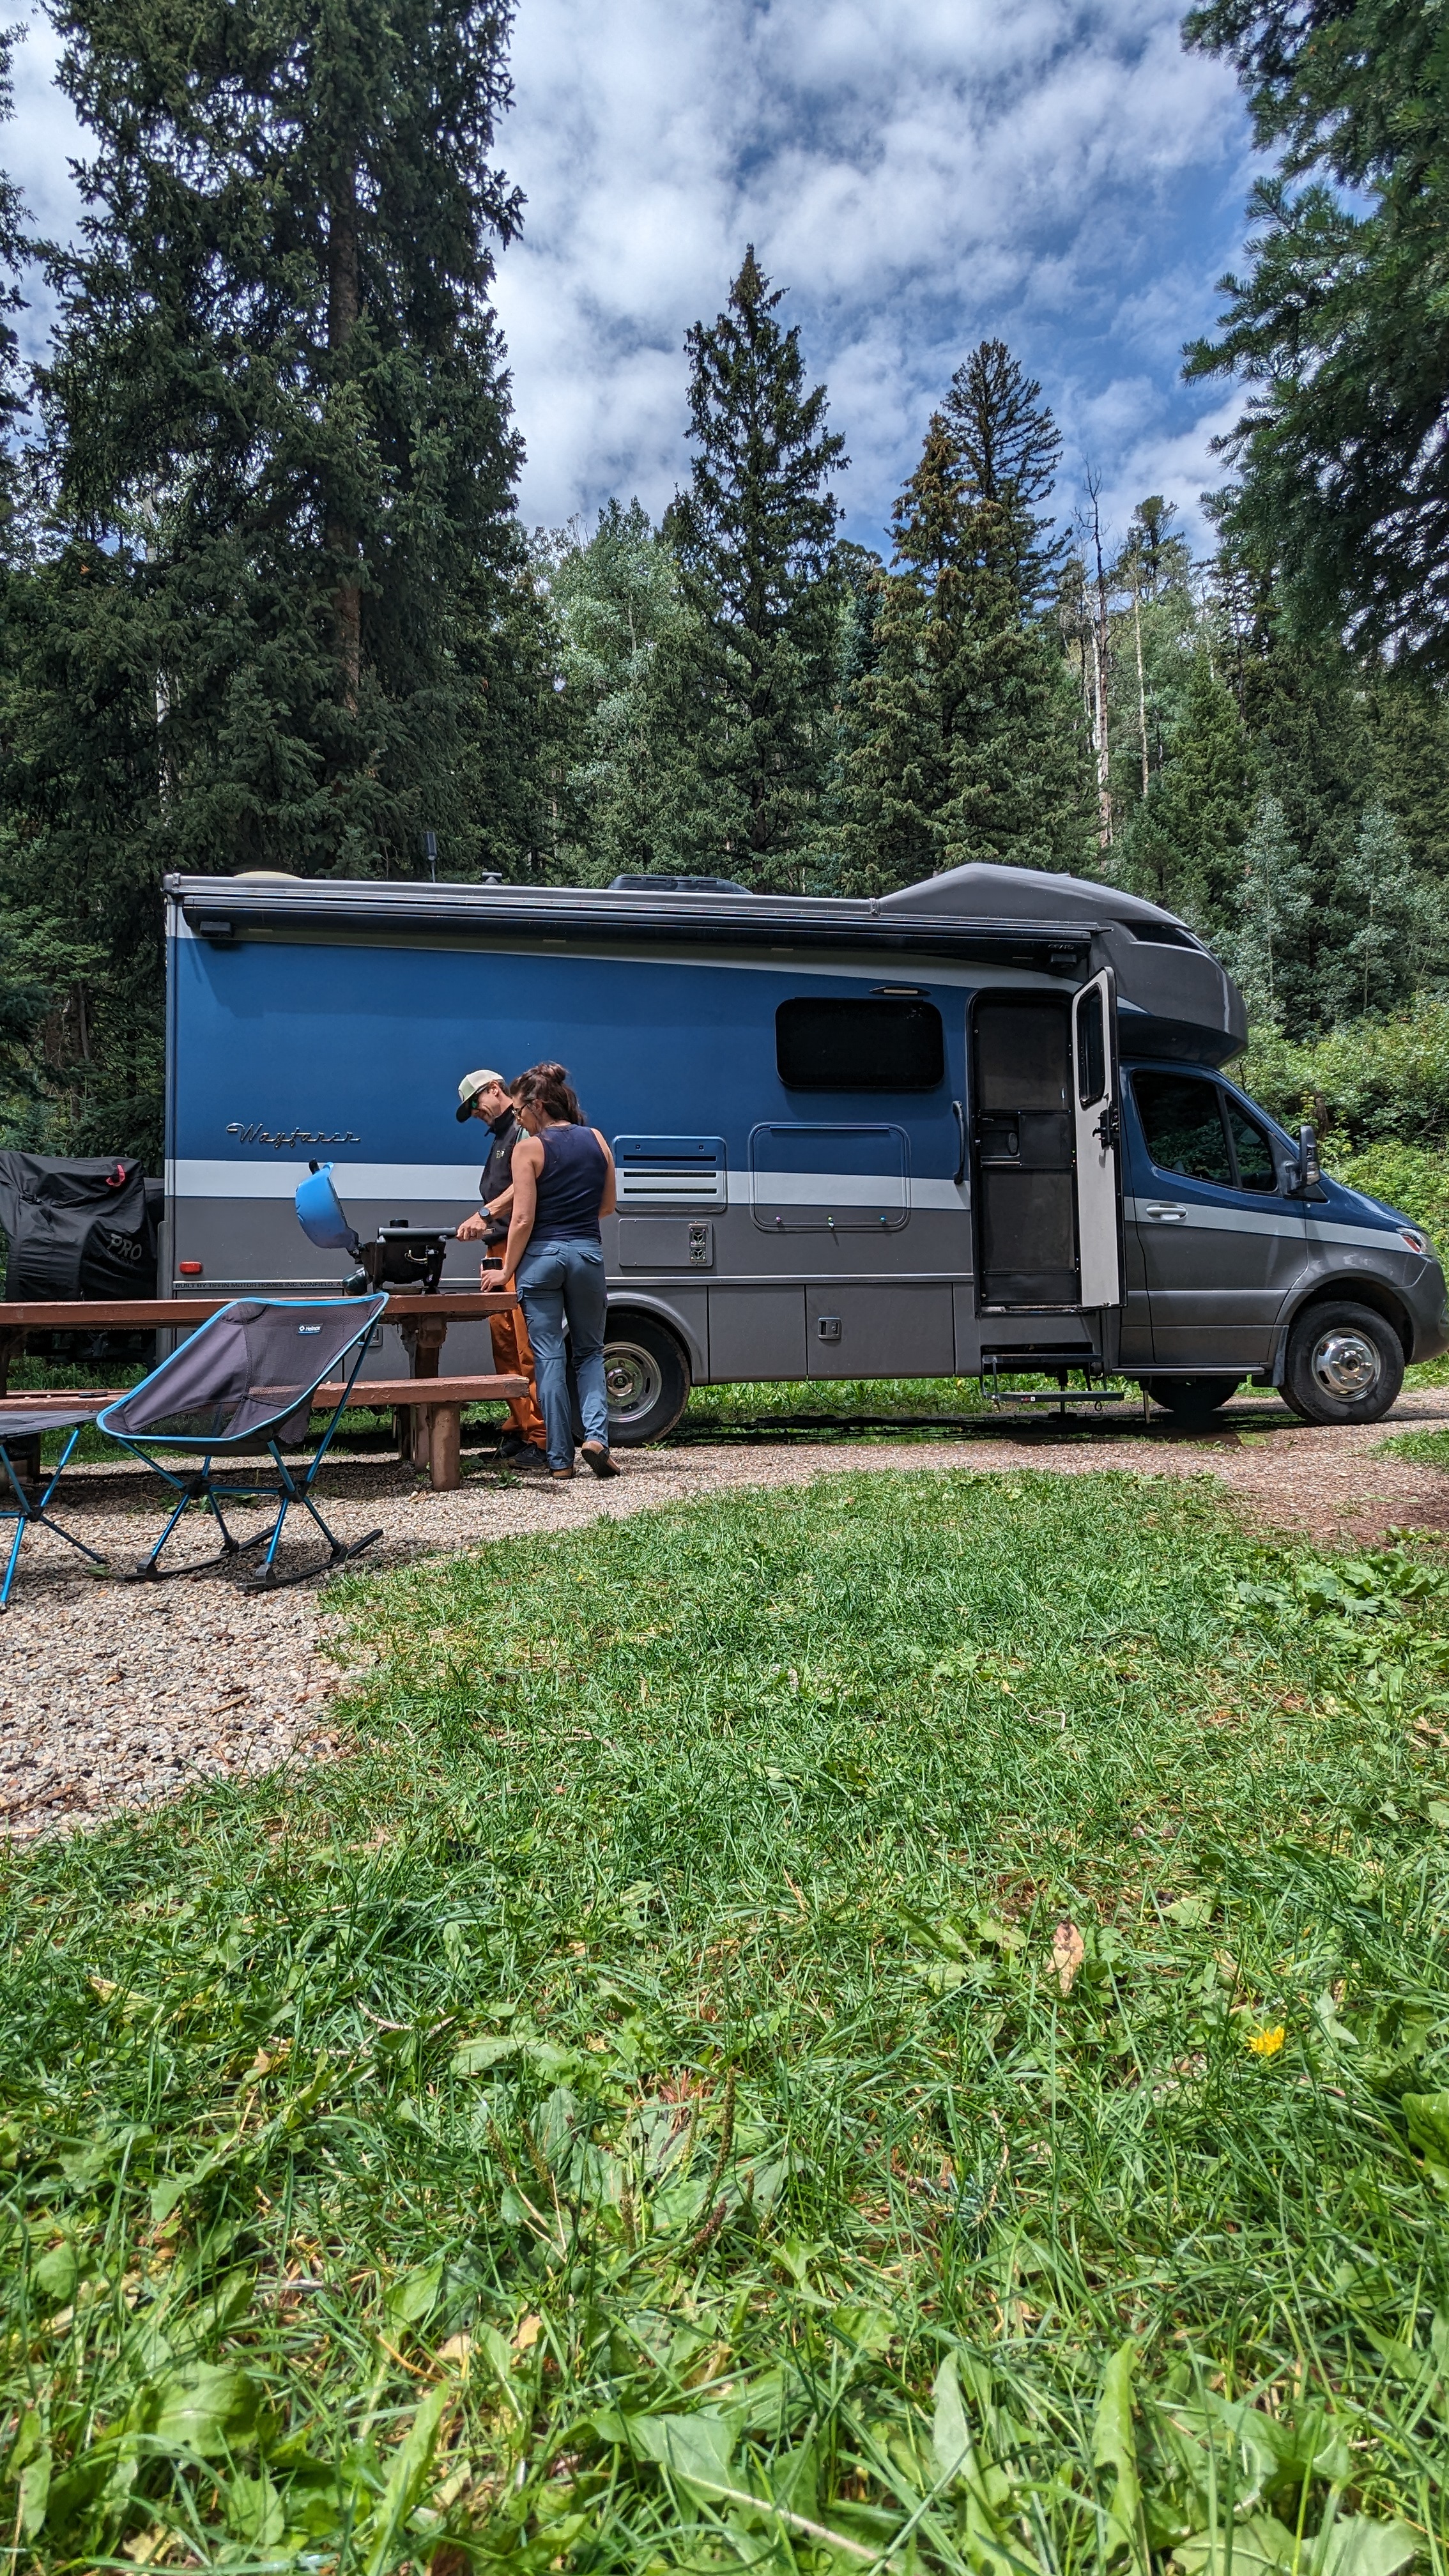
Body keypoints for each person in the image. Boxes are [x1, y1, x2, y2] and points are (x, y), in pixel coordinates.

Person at [498, 1062, 618, 1482]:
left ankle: (559, 1461)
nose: (517, 1120)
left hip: (541, 1260)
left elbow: (521, 1219)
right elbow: (607, 1207)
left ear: (539, 1105)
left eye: (519, 1112)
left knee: (549, 1357)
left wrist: (505, 1271)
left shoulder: (527, 1150)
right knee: (588, 1352)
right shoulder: (598, 1141)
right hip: (587, 1255)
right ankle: (598, 1439)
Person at [452, 1067, 548, 1466]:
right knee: (504, 1346)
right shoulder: (498, 1139)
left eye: (475, 1103)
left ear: (495, 1090)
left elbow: (526, 1185)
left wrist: (486, 1211)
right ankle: (517, 1427)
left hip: (516, 1248)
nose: (475, 1112)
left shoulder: (524, 1129)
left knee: (527, 1348)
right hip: (495, 1247)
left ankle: (540, 1438)